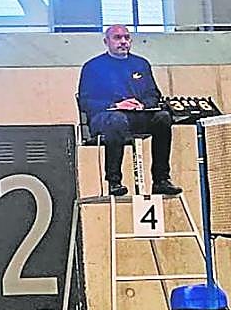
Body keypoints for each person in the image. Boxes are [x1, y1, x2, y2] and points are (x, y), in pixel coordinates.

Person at [77, 25, 182, 197]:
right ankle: (114, 181)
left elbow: (153, 94)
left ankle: (161, 179)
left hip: (137, 116)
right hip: (106, 117)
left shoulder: (141, 64)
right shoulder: (93, 67)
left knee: (163, 117)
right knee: (117, 120)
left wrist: (142, 105)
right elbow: (86, 101)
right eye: (117, 38)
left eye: (126, 37)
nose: (123, 42)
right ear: (106, 42)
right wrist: (117, 105)